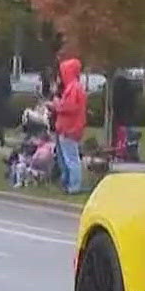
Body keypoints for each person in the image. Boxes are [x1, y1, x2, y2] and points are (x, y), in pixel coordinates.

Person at [50, 56, 87, 194]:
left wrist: (55, 104)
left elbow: (69, 107)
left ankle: (74, 186)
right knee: (66, 158)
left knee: (71, 159)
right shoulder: (73, 87)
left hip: (69, 129)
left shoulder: (73, 88)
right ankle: (68, 183)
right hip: (67, 128)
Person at [109, 72, 141, 162]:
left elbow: (115, 104)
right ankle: (131, 155)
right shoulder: (131, 90)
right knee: (131, 139)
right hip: (130, 118)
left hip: (121, 119)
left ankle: (121, 155)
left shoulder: (117, 90)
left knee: (121, 139)